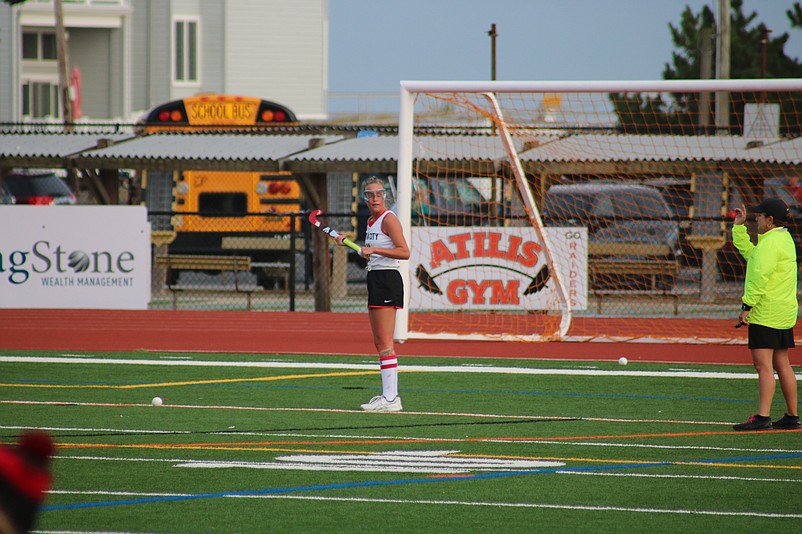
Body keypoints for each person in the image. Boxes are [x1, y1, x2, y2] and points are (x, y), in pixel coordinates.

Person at [338, 176, 410, 412]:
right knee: (379, 342)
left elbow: (403, 251)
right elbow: (370, 253)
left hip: (387, 279)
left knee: (386, 343)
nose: (375, 198)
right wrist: (350, 244)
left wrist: (375, 249)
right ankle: (388, 396)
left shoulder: (389, 220)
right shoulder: (371, 221)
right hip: (375, 277)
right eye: (370, 194)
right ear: (364, 198)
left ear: (385, 195)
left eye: (379, 193)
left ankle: (391, 398)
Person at [731, 197, 800, 431]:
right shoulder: (782, 238)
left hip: (767, 312)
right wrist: (739, 228)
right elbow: (753, 257)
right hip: (783, 311)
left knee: (763, 365)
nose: (756, 219)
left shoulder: (770, 243)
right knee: (783, 364)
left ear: (770, 221)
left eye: (758, 217)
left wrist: (746, 306)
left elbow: (758, 276)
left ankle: (762, 417)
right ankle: (792, 416)